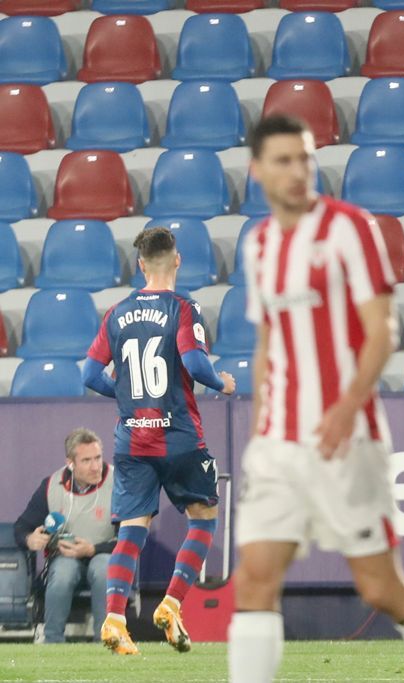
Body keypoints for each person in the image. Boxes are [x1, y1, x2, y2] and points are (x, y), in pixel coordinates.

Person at [226, 115, 404, 683]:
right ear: (257, 170)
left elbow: (383, 331)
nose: (297, 172)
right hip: (279, 444)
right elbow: (268, 338)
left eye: (305, 159)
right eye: (283, 160)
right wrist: (263, 419)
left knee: (381, 587)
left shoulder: (348, 229)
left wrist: (343, 407)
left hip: (347, 439)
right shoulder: (260, 244)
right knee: (254, 578)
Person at [82, 227, 237, 655]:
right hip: (179, 436)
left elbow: (90, 375)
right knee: (204, 518)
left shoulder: (116, 312)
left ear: (139, 264)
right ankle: (170, 604)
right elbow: (195, 362)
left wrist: (132, 394)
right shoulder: (183, 307)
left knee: (132, 530)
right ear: (178, 261)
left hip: (131, 439)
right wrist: (221, 383)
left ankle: (114, 619)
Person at [14, 429, 115, 644]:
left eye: (98, 457)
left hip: (105, 552)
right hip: (65, 557)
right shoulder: (51, 486)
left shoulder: (119, 483)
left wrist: (93, 549)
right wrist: (30, 539)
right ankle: (52, 644)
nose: (96, 466)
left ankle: (106, 643)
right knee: (61, 574)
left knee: (103, 569)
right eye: (87, 460)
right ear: (71, 463)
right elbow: (21, 527)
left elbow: (131, 537)